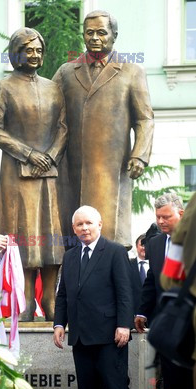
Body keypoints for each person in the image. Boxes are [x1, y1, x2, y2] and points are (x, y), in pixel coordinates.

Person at [0, 27, 67, 321]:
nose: (34, 55)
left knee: (50, 238)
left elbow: (63, 128)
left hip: (48, 173)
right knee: (24, 234)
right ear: (15, 53)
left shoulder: (53, 87)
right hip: (16, 174)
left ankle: (51, 300)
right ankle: (25, 304)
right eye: (28, 50)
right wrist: (29, 153)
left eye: (38, 50)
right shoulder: (3, 87)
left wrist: (51, 156)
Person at [53, 9, 154, 248]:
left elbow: (144, 118)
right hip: (72, 167)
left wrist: (139, 154)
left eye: (101, 32)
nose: (95, 38)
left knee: (110, 238)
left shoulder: (131, 71)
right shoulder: (66, 72)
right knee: (73, 239)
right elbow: (50, 114)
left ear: (114, 35)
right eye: (89, 33)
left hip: (112, 167)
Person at [53, 205, 134, 389]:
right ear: (73, 229)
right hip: (80, 336)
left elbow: (124, 292)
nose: (84, 228)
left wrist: (124, 324)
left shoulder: (115, 252)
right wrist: (59, 324)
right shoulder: (70, 256)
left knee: (116, 388)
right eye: (79, 225)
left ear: (100, 224)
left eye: (89, 223)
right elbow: (63, 295)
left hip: (110, 335)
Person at [134, 193, 195, 389]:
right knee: (173, 383)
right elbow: (152, 282)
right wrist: (142, 312)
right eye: (158, 217)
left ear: (180, 214)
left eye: (166, 216)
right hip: (170, 327)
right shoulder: (156, 244)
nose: (161, 221)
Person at [130, 234, 148, 315]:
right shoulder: (127, 265)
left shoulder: (157, 265)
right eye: (142, 245)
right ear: (136, 246)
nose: (144, 248)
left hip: (152, 313)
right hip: (133, 313)